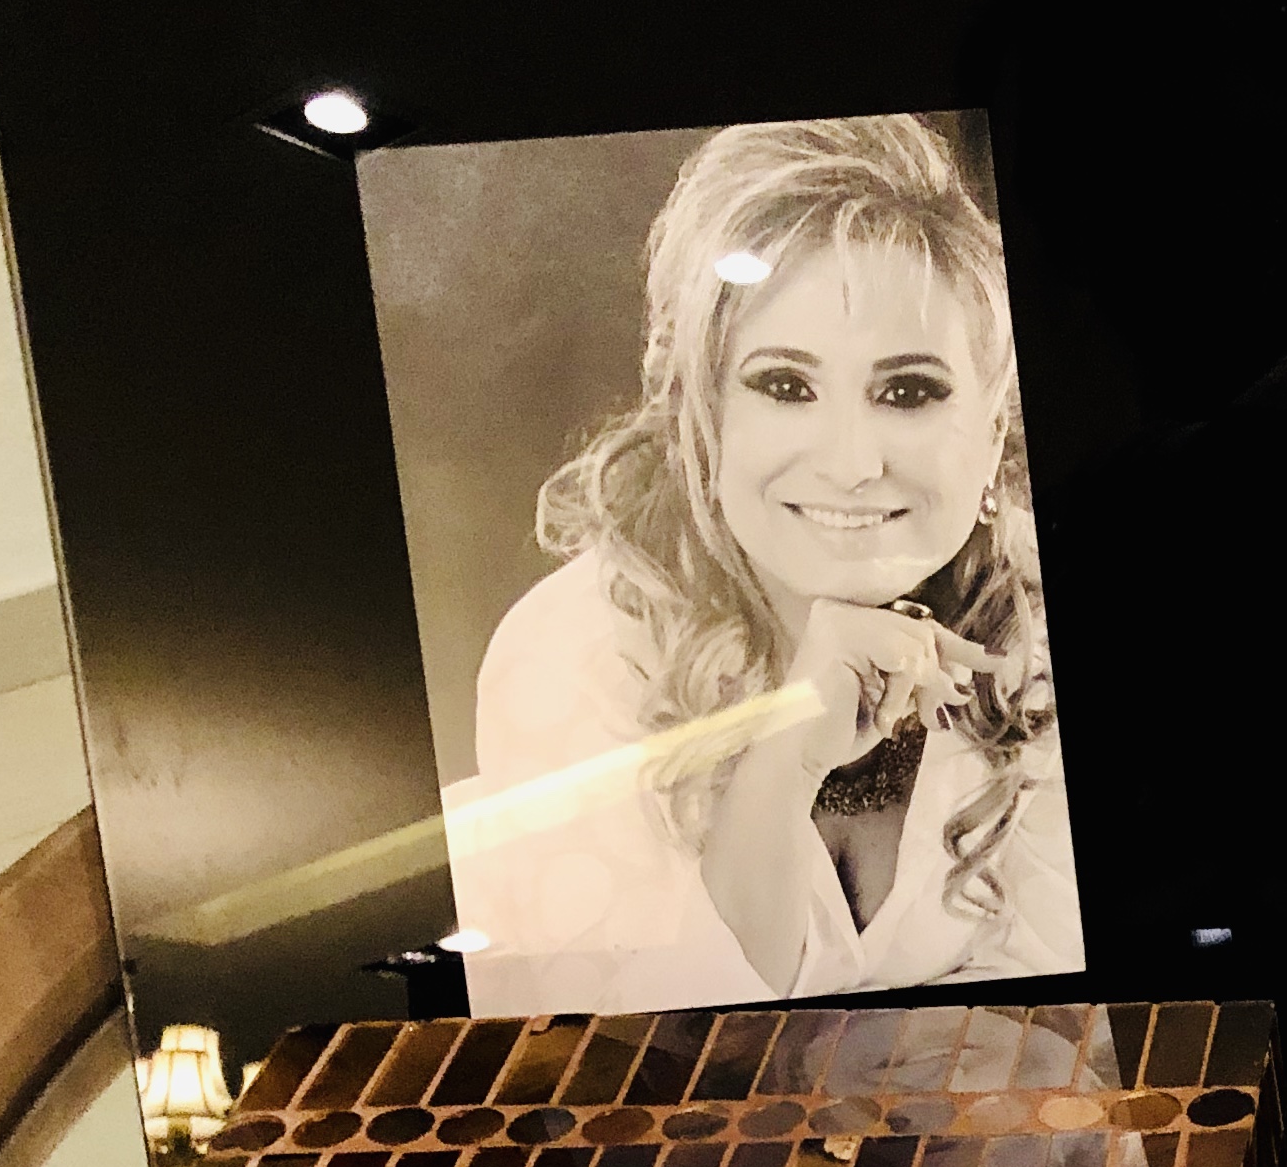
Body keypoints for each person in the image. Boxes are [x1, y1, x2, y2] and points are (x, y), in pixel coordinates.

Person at [445, 114, 1081, 1014]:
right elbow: (657, 1068)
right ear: (698, 410)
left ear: (993, 425)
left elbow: (1078, 1038)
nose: (852, 463)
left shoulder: (1041, 627)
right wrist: (783, 759)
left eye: (908, 391)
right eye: (786, 386)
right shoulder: (572, 655)